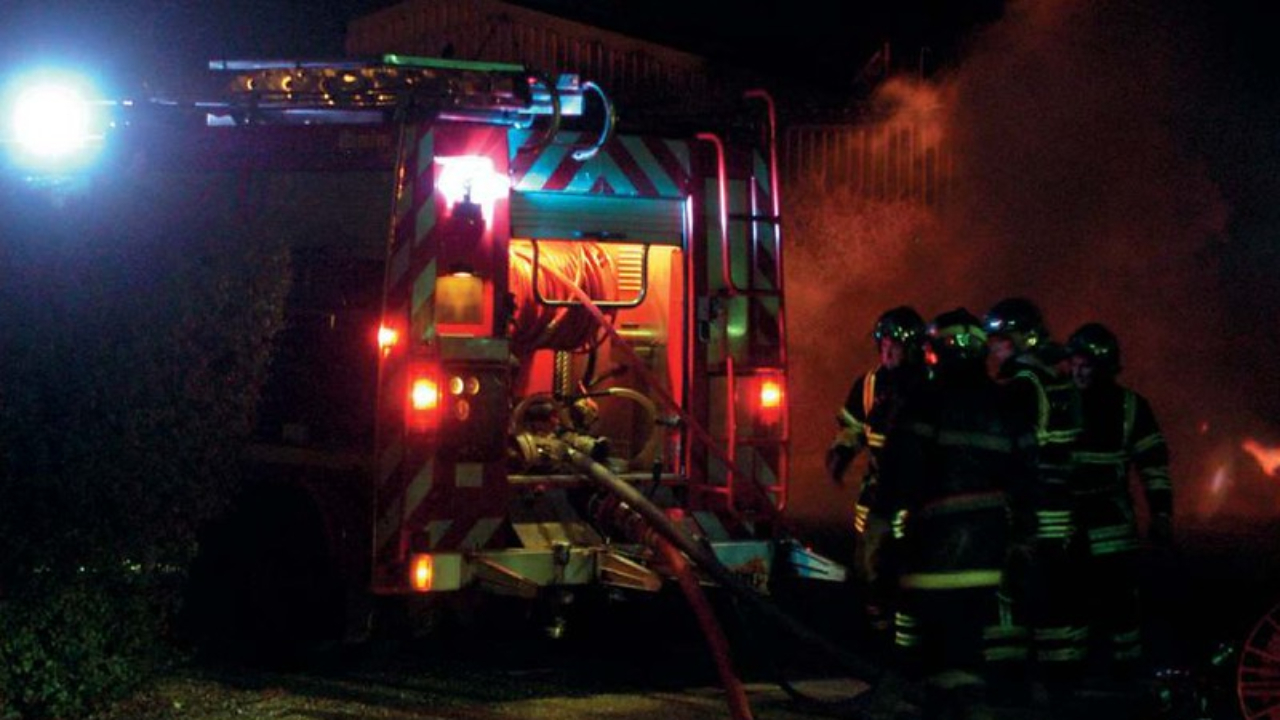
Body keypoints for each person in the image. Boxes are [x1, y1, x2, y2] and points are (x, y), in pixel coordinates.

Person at [876, 308, 1040, 720]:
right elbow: (1026, 481)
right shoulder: (1008, 406)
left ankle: (950, 704)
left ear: (936, 352)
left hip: (931, 556)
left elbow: (899, 472)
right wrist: (1022, 540)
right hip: (986, 557)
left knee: (937, 657)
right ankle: (967, 702)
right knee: (966, 652)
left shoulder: (924, 403)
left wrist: (876, 534)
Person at [983, 297, 1088, 699]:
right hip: (1062, 506)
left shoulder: (1022, 384)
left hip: (1030, 507)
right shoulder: (1056, 377)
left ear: (1022, 338)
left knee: (1009, 593)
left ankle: (1007, 683)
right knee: (1056, 598)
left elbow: (1009, 448)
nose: (994, 349)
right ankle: (1062, 685)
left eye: (1001, 341)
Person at [1066, 322, 1173, 683]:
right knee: (1069, 600)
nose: (1078, 370)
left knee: (1119, 602)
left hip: (1110, 521)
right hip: (1065, 520)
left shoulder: (1130, 406)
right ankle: (1073, 675)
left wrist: (1161, 514)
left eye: (1087, 364)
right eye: (1075, 363)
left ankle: (1125, 673)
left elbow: (1153, 466)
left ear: (1106, 366)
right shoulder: (1058, 400)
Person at [825, 305, 929, 644]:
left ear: (913, 348)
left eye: (895, 345)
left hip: (921, 496)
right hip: (878, 495)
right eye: (882, 343)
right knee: (870, 570)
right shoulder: (869, 384)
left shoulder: (931, 386)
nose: (887, 350)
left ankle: (910, 642)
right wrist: (841, 452)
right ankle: (880, 639)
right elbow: (853, 427)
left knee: (914, 572)